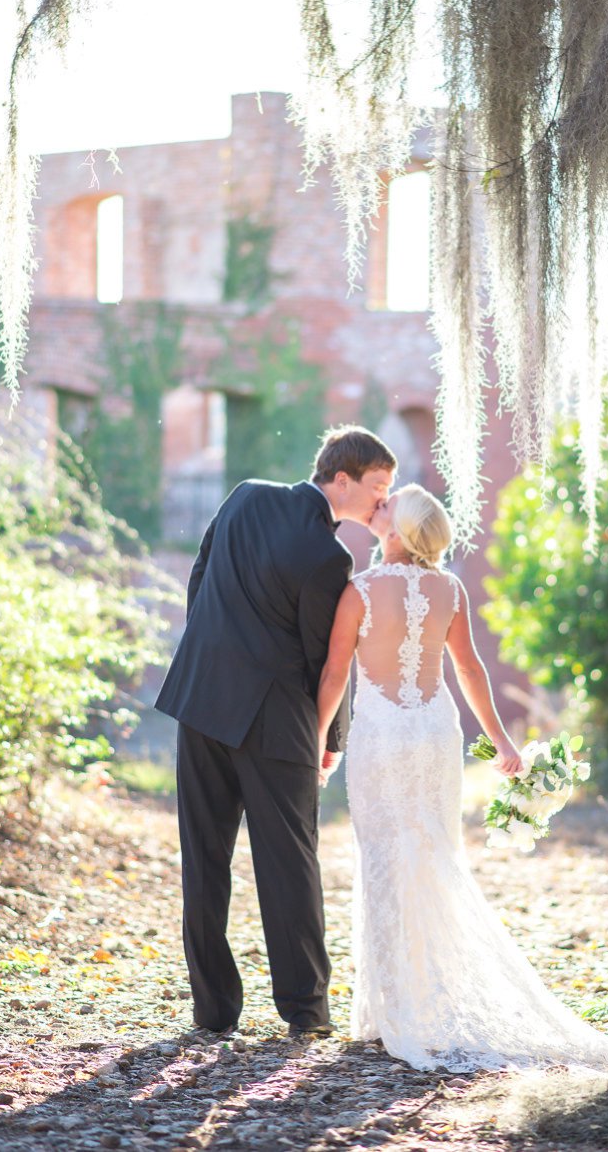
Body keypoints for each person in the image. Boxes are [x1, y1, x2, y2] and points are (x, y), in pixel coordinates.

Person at [317, 484, 608, 1072]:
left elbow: (337, 671)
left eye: (388, 507)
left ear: (396, 532)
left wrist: (317, 740)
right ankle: (424, 1003)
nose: (378, 507)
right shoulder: (451, 589)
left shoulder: (358, 591)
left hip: (383, 737)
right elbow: (468, 668)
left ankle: (391, 1013)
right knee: (434, 856)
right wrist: (502, 743)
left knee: (384, 859)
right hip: (436, 735)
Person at [155, 426, 396, 1038]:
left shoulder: (243, 496)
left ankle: (213, 1013)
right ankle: (305, 1011)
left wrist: (213, 660)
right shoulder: (330, 559)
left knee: (202, 859)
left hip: (202, 699)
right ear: (341, 479)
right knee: (289, 863)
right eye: (377, 487)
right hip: (276, 722)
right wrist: (331, 739)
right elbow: (327, 661)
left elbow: (200, 582)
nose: (381, 502)